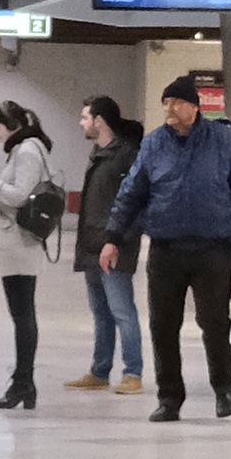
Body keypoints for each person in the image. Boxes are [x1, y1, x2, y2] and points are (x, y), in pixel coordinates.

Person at [96, 73, 231, 421]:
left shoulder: (222, 140)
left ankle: (223, 388)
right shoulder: (153, 144)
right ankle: (169, 398)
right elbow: (131, 193)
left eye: (176, 103)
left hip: (213, 248)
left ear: (195, 106)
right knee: (163, 326)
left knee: (214, 322)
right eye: (167, 103)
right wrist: (112, 237)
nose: (170, 109)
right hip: (165, 248)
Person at [0, 99, 65, 409]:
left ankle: (23, 384)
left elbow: (19, 195)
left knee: (22, 315)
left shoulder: (27, 151)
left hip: (20, 244)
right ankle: (23, 383)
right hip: (20, 244)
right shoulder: (31, 148)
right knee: (22, 314)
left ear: (10, 125)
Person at [67, 94, 146, 392]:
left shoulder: (125, 155)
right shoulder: (99, 154)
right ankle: (100, 371)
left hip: (114, 247)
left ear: (100, 121)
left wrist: (118, 240)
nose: (82, 123)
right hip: (92, 244)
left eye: (85, 117)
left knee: (122, 310)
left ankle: (133, 373)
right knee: (101, 313)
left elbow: (137, 204)